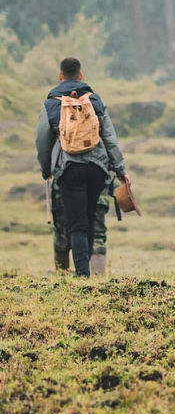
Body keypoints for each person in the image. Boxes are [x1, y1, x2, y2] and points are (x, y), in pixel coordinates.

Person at [36, 58, 129, 278]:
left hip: (69, 168)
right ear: (80, 75)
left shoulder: (50, 104)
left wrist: (46, 169)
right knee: (88, 217)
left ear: (61, 76)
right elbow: (110, 138)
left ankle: (82, 274)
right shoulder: (95, 101)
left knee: (76, 223)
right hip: (98, 168)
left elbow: (42, 141)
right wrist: (120, 170)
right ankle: (86, 271)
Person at [52, 183, 113, 275]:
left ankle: (62, 275)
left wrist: (46, 172)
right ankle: (98, 277)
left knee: (63, 233)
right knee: (97, 235)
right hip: (99, 189)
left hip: (65, 190)